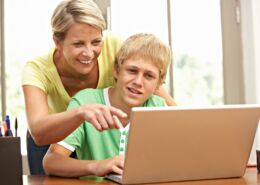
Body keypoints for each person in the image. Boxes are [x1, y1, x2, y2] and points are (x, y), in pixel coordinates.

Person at [22, 0, 176, 174]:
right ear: (57, 41)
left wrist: (179, 117)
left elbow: (147, 69)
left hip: (95, 133)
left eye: (96, 42)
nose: (89, 52)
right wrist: (81, 113)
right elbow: (39, 134)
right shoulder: (37, 69)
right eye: (78, 44)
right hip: (51, 133)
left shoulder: (115, 45)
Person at [43, 33, 171, 177]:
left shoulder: (159, 108)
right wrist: (96, 166)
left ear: (158, 84)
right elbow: (51, 162)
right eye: (132, 71)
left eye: (148, 76)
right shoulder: (86, 102)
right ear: (116, 70)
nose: (138, 82)